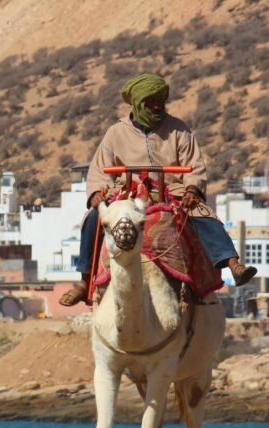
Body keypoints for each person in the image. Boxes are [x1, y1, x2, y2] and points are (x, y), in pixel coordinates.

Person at [60, 73, 257, 306]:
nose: (156, 106)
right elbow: (99, 170)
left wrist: (192, 189)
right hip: (128, 193)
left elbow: (194, 165)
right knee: (93, 219)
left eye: (159, 100)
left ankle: (232, 264)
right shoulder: (115, 133)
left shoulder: (179, 130)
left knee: (204, 215)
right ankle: (85, 281)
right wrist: (97, 194)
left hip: (173, 191)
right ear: (137, 103)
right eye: (150, 101)